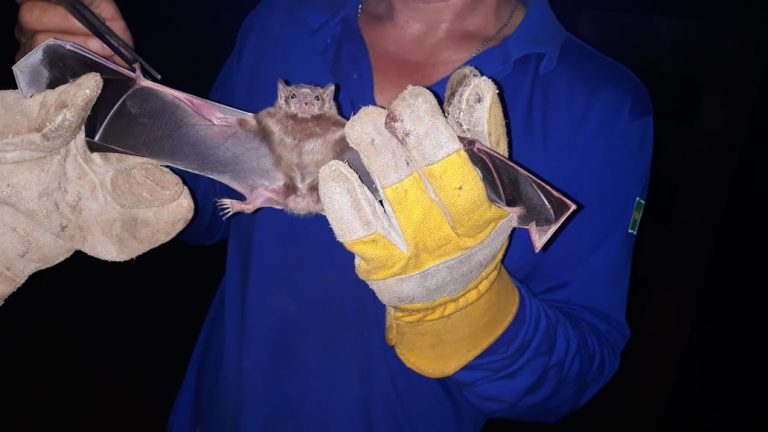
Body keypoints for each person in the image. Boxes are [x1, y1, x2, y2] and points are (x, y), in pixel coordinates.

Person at [14, 0, 653, 430]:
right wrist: (103, 101)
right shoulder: (285, 19)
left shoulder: (600, 104)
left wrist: (465, 310)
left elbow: (578, 368)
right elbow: (201, 208)